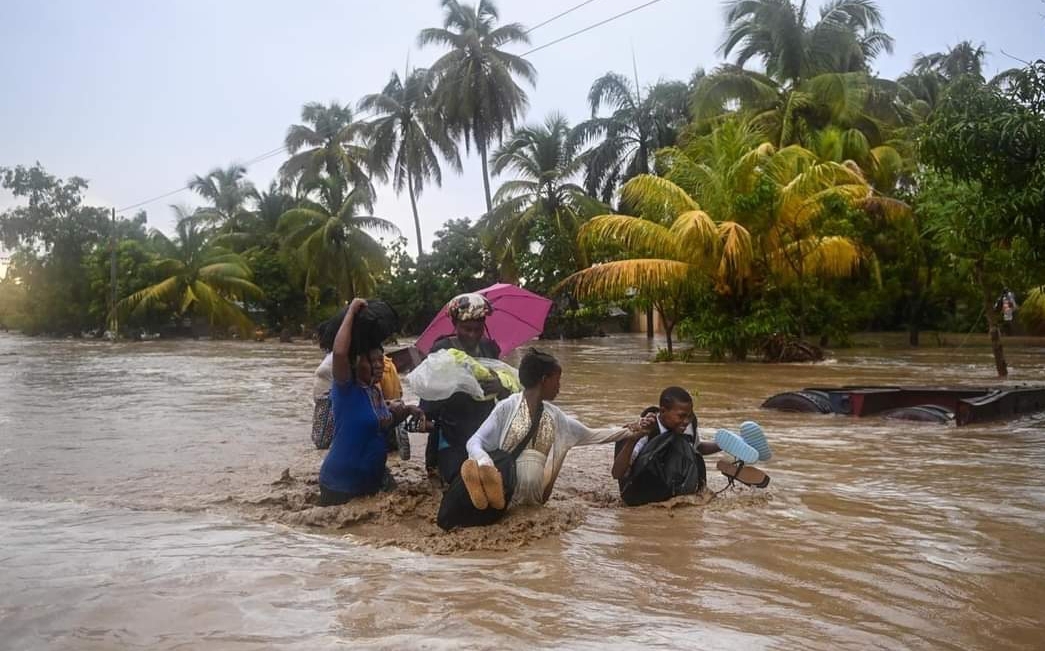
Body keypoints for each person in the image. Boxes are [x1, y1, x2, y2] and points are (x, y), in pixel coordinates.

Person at [461, 349, 653, 510]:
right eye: (557, 381)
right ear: (544, 380)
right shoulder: (507, 407)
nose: (559, 387)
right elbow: (474, 442)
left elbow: (593, 434)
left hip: (535, 502)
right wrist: (484, 461)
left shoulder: (556, 417)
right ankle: (485, 484)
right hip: (507, 496)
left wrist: (632, 431)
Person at [318, 299, 422, 506]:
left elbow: (382, 422)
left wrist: (408, 410)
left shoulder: (374, 392)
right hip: (340, 485)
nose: (378, 366)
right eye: (371, 361)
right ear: (356, 363)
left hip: (372, 482)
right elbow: (339, 353)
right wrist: (352, 311)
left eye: (380, 361)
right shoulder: (346, 388)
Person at [421, 293, 512, 483]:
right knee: (461, 482)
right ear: (455, 324)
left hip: (484, 432)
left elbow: (507, 396)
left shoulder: (489, 348)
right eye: (466, 329)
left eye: (478, 329)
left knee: (502, 478)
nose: (472, 335)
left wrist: (500, 385)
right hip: (452, 435)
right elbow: (428, 402)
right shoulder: (443, 349)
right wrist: (459, 385)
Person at [611, 387, 720, 506]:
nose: (686, 421)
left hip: (673, 489)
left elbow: (697, 448)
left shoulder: (687, 426)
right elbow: (617, 474)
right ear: (662, 411)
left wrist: (723, 445)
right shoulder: (645, 429)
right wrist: (633, 440)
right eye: (681, 416)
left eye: (689, 416)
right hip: (642, 493)